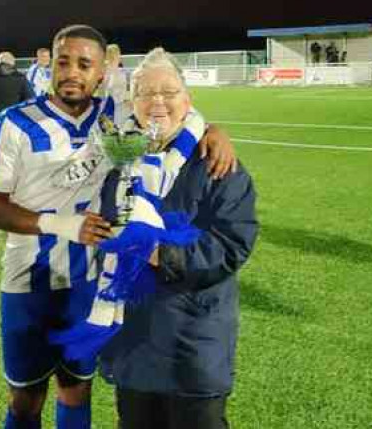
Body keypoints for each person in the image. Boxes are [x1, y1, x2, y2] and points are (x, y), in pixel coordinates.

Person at [0, 24, 238, 429]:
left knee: (77, 388)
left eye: (85, 64)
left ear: (102, 73)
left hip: (90, 280)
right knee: (26, 397)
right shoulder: (14, 123)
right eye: (63, 62)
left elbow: (167, 108)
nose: (72, 73)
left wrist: (213, 130)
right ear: (49, 63)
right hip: (28, 281)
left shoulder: (111, 114)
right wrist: (62, 225)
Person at [93, 50, 257, 429]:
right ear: (132, 103)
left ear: (188, 100)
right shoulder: (118, 163)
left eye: (169, 91)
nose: (157, 102)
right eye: (146, 93)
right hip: (132, 343)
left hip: (193, 343)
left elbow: (232, 246)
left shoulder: (217, 164)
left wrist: (158, 253)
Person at [0, 51, 33, 119]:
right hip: (17, 120)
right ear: (12, 63)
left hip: (0, 119)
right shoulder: (21, 79)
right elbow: (29, 99)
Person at [102, 44, 129, 125]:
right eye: (115, 55)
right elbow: (104, 90)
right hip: (110, 104)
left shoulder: (123, 72)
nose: (118, 57)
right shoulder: (105, 72)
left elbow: (127, 88)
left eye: (117, 55)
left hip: (122, 104)